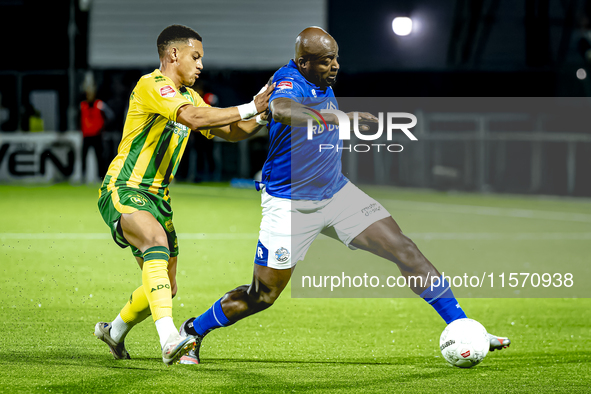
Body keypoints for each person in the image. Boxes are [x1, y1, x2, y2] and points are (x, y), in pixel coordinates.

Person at [179, 27, 511, 364]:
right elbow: (281, 109)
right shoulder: (288, 79)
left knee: (405, 250)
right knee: (263, 295)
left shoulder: (321, 80)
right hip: (290, 204)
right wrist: (338, 118)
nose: (335, 66)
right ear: (303, 62)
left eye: (336, 58)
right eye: (325, 61)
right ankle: (193, 331)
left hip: (336, 194)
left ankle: (464, 327)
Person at [93, 24, 274, 365]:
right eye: (196, 56)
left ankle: (113, 331)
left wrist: (266, 113)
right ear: (173, 54)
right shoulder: (152, 85)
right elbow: (192, 118)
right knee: (154, 242)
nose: (201, 65)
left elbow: (233, 131)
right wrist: (250, 106)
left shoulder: (189, 97)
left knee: (166, 286)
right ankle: (169, 340)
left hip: (158, 199)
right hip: (125, 187)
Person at [80, 78, 114, 180]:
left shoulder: (99, 104)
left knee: (99, 157)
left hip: (97, 135)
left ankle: (101, 177)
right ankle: (83, 176)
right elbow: (78, 119)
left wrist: (103, 127)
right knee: (83, 157)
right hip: (86, 135)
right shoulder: (82, 105)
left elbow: (110, 116)